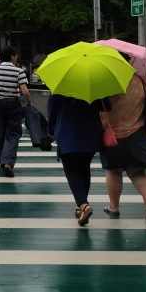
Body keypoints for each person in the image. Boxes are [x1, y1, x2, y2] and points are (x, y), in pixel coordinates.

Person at [100, 59, 146, 222]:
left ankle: (114, 206)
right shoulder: (140, 78)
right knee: (138, 171)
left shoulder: (104, 81)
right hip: (138, 132)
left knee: (114, 170)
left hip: (113, 134)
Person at [48, 94, 105, 226]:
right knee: (84, 168)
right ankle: (81, 205)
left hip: (68, 133)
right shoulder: (94, 85)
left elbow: (52, 111)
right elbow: (107, 107)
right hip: (91, 132)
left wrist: (51, 131)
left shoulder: (60, 88)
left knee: (71, 170)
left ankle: (83, 205)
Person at [0, 45, 30, 177]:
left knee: (1, 133)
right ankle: (8, 162)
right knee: (13, 133)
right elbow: (25, 91)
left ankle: (2, 161)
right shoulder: (18, 71)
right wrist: (29, 103)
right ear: (12, 56)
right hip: (13, 103)